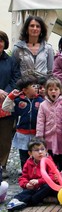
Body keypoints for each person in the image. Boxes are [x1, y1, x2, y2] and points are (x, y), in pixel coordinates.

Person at [2, 75, 43, 169]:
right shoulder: (18, 101)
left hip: (36, 132)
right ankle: (25, 173)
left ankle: (36, 173)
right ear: (25, 90)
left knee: (36, 154)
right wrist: (11, 96)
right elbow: (5, 107)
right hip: (22, 133)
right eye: (33, 86)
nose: (36, 88)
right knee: (23, 155)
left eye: (36, 86)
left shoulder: (40, 100)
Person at [6, 138, 57, 211]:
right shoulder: (28, 163)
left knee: (47, 187)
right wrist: (26, 184)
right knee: (26, 191)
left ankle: (27, 203)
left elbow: (53, 176)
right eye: (36, 150)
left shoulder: (49, 162)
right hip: (33, 188)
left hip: (44, 187)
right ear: (30, 153)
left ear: (46, 151)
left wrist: (39, 181)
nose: (40, 152)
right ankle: (14, 201)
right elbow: (23, 177)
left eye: (42, 149)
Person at [0, 30, 21, 179]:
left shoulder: (11, 61)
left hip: (6, 103)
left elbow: (16, 79)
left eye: (1, 41)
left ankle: (2, 165)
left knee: (5, 137)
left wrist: (6, 92)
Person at [36, 77, 62, 170]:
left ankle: (61, 175)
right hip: (48, 136)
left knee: (61, 157)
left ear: (60, 90)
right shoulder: (43, 105)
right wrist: (40, 136)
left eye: (56, 89)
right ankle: (50, 176)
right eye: (50, 89)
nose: (53, 91)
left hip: (61, 136)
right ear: (47, 91)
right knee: (50, 158)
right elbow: (40, 121)